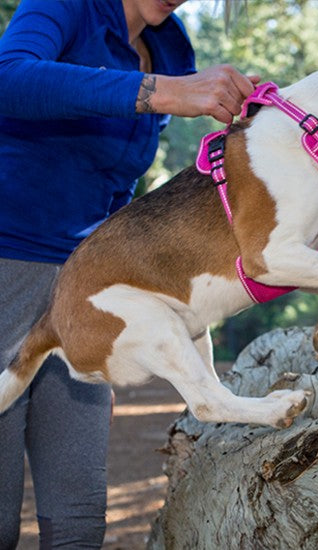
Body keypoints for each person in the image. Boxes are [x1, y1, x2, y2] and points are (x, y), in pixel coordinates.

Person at [0, 0, 259, 548]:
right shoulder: (66, 7)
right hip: (7, 265)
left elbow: (119, 187)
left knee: (78, 512)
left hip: (88, 285)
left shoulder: (170, 45)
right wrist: (163, 91)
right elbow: (10, 75)